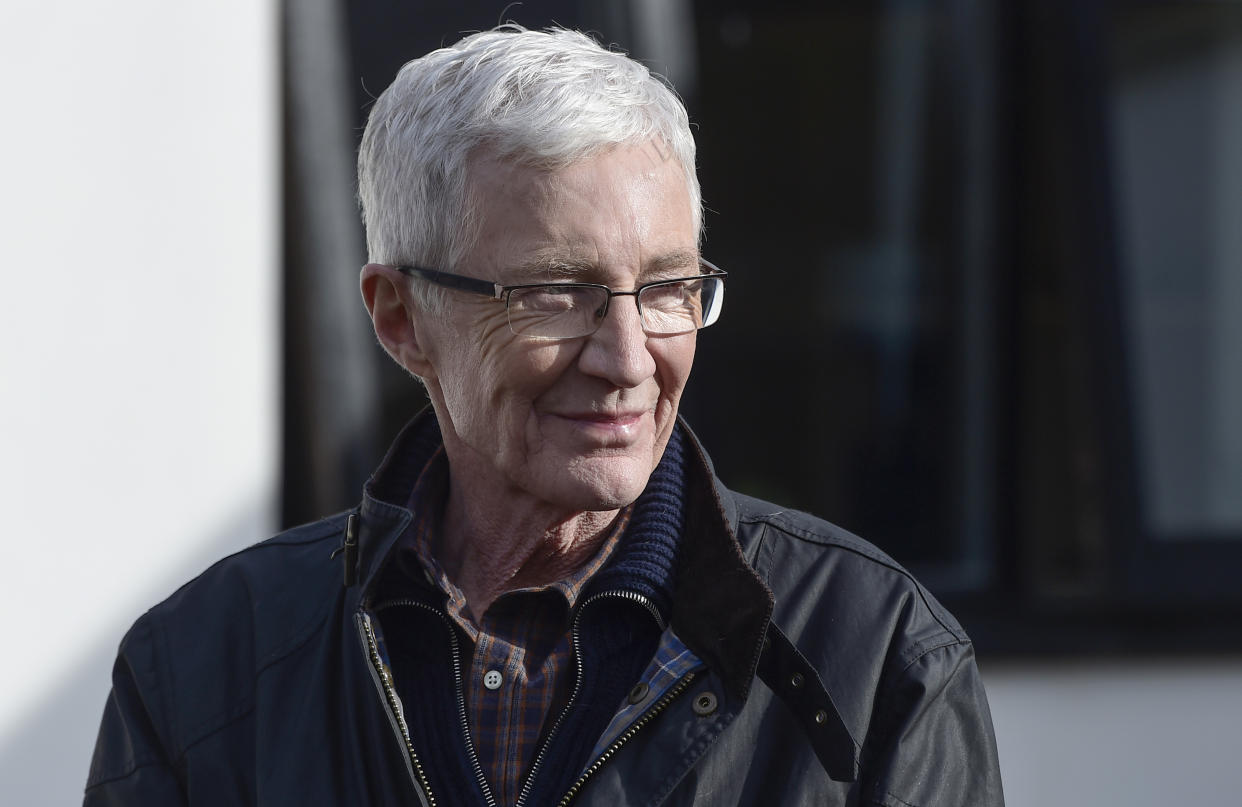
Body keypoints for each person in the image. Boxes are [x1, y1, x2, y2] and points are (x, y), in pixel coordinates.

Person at [84, 25, 1004, 806]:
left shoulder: (878, 655)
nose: (629, 358)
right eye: (557, 293)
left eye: (668, 288)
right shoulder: (203, 667)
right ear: (401, 316)